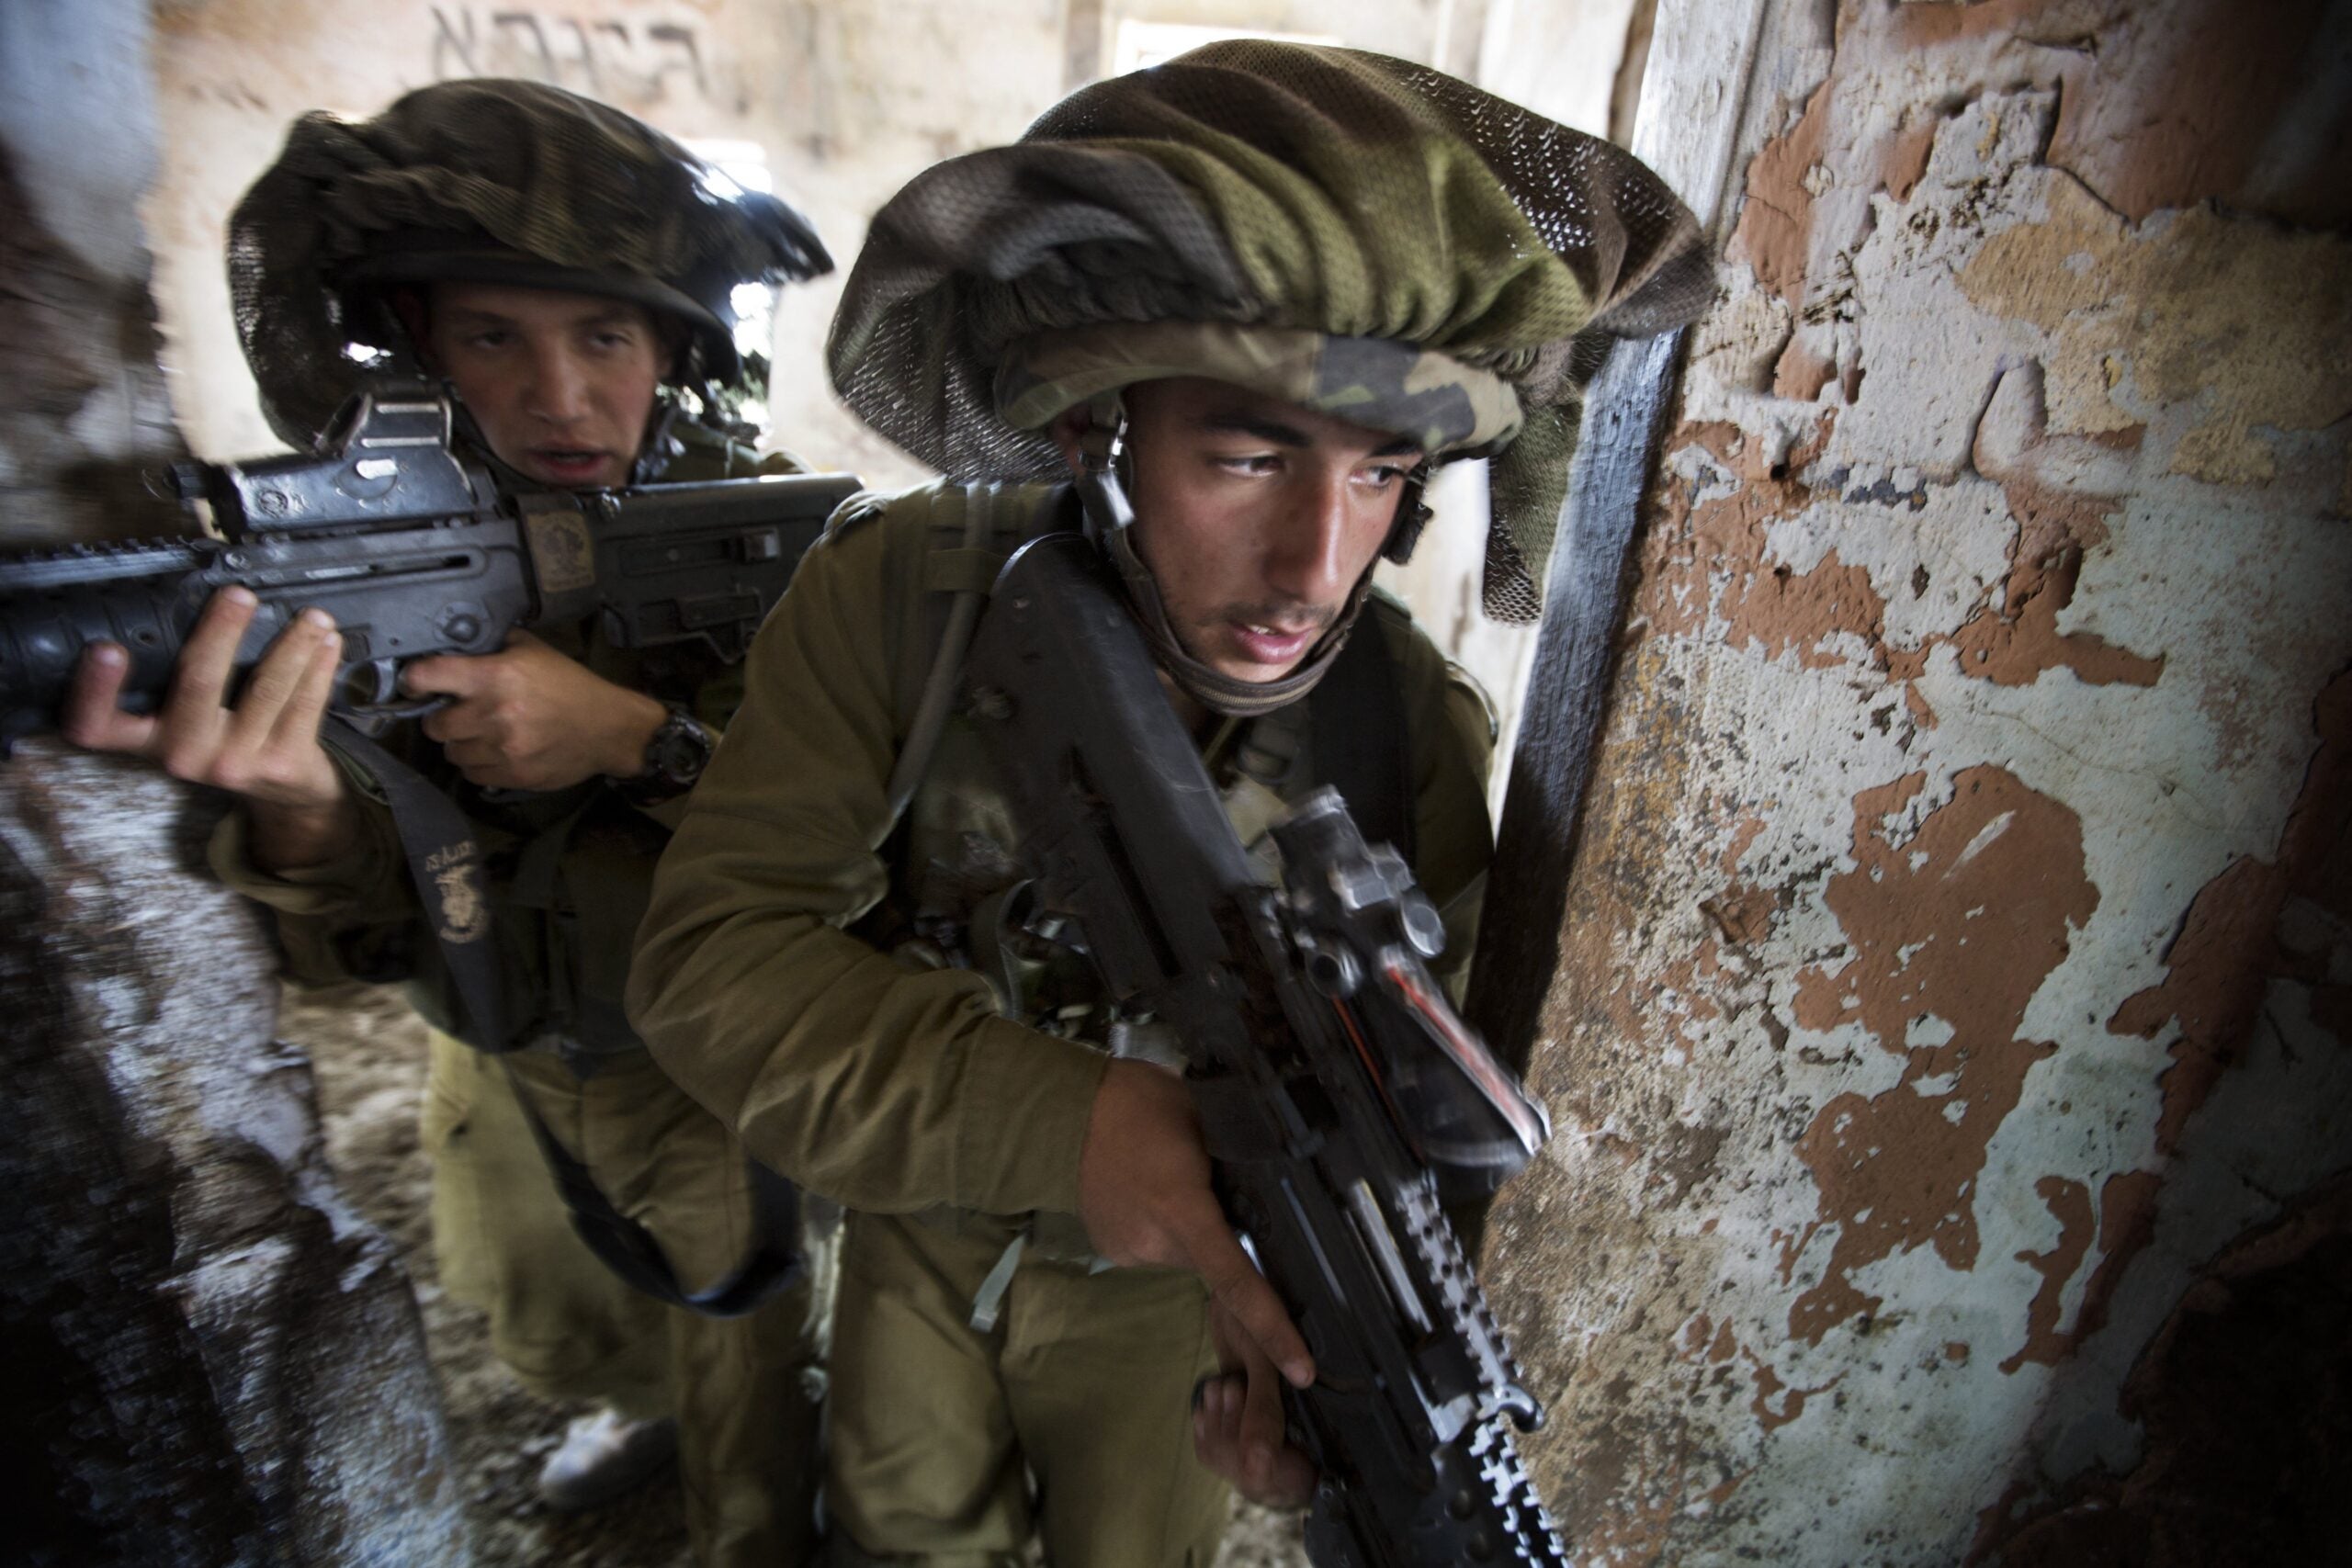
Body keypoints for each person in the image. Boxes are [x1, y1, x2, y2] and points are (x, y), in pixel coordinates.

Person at [628, 41, 1709, 1566]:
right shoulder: (900, 603)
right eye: (1250, 456)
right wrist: (1066, 1123)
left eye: (1383, 474)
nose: (1314, 563)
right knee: (891, 1531)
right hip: (923, 1208)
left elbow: (1405, 1143)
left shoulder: (1409, 737)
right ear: (1095, 430)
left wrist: (1302, 1375)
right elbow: (707, 967)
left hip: (1178, 1315)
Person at [61, 80, 838, 1566]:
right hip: (500, 1046)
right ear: (413, 348)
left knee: (752, 1377)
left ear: (674, 346)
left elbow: (873, 826)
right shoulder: (365, 549)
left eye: (603, 336)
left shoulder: (776, 541)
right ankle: (639, 1409)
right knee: (556, 1309)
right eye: (495, 336)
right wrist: (295, 809)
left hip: (714, 1067)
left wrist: (639, 739)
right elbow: (364, 922)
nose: (558, 395)